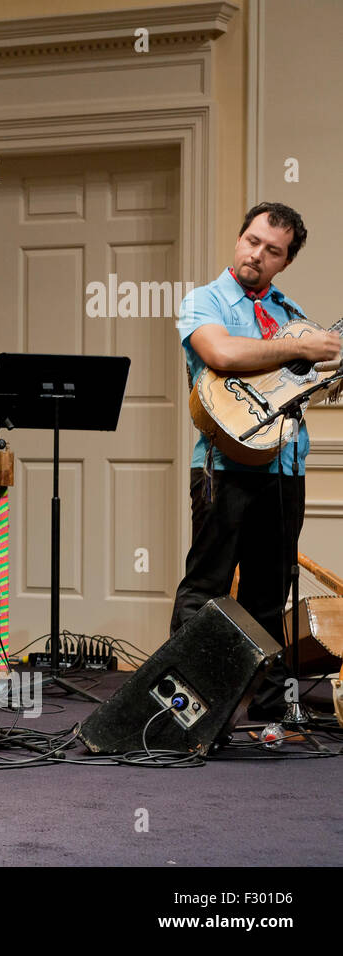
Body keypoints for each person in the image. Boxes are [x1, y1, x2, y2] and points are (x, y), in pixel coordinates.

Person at [170, 202, 340, 720]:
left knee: (270, 594)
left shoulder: (293, 318)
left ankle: (268, 710)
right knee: (206, 588)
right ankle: (181, 708)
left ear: (285, 261)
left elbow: (306, 383)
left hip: (285, 468)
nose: (257, 255)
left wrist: (326, 366)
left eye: (273, 251)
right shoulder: (205, 301)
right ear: (239, 237)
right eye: (252, 241)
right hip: (223, 465)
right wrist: (305, 348)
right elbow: (221, 355)